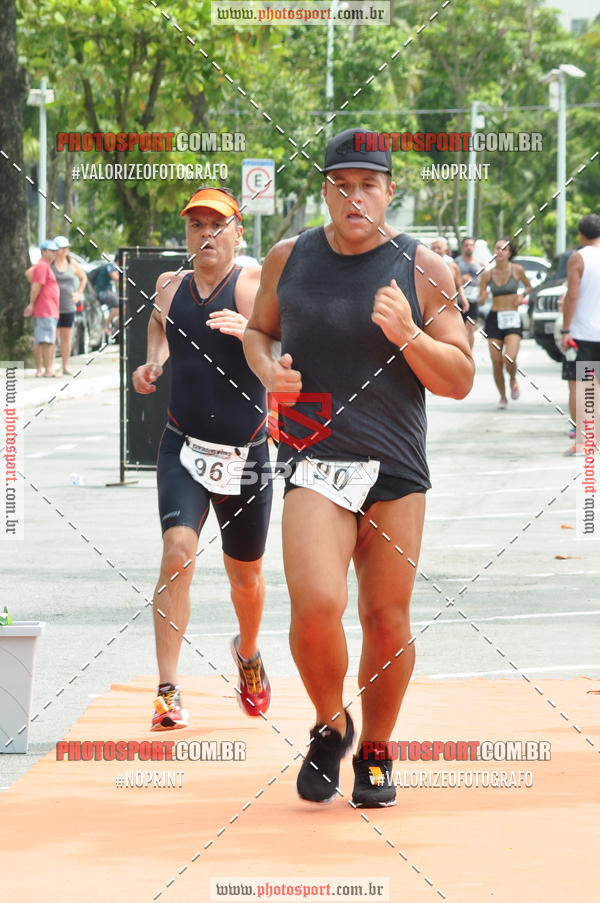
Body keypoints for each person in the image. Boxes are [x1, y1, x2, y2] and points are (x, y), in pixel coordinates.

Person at [243, 128, 474, 807]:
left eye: (368, 183)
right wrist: (267, 372)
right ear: (325, 191)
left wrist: (408, 333)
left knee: (386, 619)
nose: (355, 196)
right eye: (341, 183)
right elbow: (260, 332)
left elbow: (459, 377)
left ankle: (375, 749)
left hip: (397, 467)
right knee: (316, 607)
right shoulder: (291, 258)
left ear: (389, 191)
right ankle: (329, 722)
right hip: (316, 460)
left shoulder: (425, 267)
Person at [132, 187, 273, 731]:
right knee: (177, 552)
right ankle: (167, 689)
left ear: (238, 231)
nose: (206, 235)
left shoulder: (253, 284)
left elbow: (288, 354)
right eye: (196, 226)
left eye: (217, 225)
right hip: (183, 446)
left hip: (247, 453)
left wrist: (253, 334)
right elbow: (157, 328)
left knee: (246, 579)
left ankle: (249, 652)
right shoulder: (170, 286)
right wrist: (153, 362)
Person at [560, 213, 600, 455]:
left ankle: (584, 440)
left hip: (583, 333)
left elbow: (572, 296)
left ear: (581, 234)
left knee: (579, 386)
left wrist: (565, 329)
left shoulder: (578, 258)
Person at [479, 238, 532, 409]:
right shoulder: (487, 275)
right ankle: (502, 396)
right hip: (494, 319)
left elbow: (529, 287)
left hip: (512, 318)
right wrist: (483, 298)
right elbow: (479, 302)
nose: (500, 252)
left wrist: (522, 295)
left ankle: (513, 378)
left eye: (504, 249)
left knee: (509, 357)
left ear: (509, 253)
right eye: (497, 248)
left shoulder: (517, 270)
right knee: (496, 362)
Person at [24, 239, 60, 377]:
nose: (54, 253)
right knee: (46, 340)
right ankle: (46, 369)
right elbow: (36, 286)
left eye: (55, 251)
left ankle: (44, 369)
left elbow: (28, 274)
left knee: (45, 339)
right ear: (43, 251)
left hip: (49, 309)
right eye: (51, 251)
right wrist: (32, 303)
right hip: (45, 309)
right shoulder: (43, 266)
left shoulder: (42, 266)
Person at [52, 236, 87, 375]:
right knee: (52, 338)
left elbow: (83, 277)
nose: (64, 250)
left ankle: (65, 366)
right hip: (52, 307)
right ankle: (50, 367)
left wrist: (78, 293)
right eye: (62, 248)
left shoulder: (72, 264)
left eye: (66, 248)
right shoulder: (50, 264)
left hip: (68, 306)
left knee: (66, 338)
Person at [430, 237, 469, 318]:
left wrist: (464, 299)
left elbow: (459, 285)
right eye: (433, 248)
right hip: (431, 304)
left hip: (449, 304)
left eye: (439, 248)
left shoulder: (453, 266)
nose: (436, 250)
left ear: (446, 250)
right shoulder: (424, 265)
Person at [455, 236, 482, 348]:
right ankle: (459, 352)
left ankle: (469, 354)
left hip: (473, 299)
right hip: (458, 301)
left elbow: (482, 282)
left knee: (471, 328)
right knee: (459, 329)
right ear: (462, 247)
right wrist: (461, 280)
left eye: (471, 245)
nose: (469, 247)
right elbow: (451, 281)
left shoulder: (479, 264)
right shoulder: (456, 263)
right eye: (466, 245)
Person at [94, 261, 120, 338]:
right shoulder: (110, 265)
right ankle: (107, 325)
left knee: (123, 304)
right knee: (120, 306)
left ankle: (115, 323)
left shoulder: (116, 268)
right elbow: (115, 277)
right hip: (103, 292)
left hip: (109, 292)